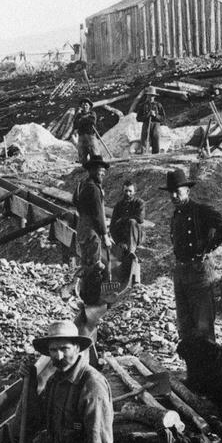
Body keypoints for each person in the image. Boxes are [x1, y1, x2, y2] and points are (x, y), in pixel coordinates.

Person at [167, 168, 222, 341]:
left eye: (177, 192)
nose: (173, 196)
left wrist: (207, 249)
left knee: (203, 327)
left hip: (199, 274)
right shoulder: (176, 214)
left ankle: (208, 368)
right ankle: (193, 368)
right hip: (180, 274)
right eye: (171, 193)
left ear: (187, 191)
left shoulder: (200, 211)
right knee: (185, 327)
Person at [72, 156, 111, 308]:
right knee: (95, 266)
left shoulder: (82, 184)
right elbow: (99, 214)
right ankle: (94, 301)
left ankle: (84, 296)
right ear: (92, 171)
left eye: (103, 171)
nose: (102, 174)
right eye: (100, 171)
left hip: (82, 229)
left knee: (86, 263)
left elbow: (75, 201)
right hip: (92, 232)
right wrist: (105, 235)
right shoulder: (94, 189)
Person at [108, 178, 145, 288]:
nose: (128, 194)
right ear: (123, 191)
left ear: (134, 192)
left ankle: (131, 251)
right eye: (126, 191)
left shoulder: (139, 203)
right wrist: (119, 241)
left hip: (137, 236)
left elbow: (140, 218)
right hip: (123, 239)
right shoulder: (119, 205)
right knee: (116, 258)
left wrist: (123, 219)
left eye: (130, 191)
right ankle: (119, 282)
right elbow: (113, 225)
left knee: (132, 222)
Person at [72, 99, 101, 166]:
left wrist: (82, 120)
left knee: (94, 151)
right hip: (81, 136)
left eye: (86, 105)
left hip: (90, 135)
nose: (84, 106)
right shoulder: (78, 115)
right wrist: (84, 120)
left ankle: (96, 166)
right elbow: (76, 124)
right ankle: (83, 167)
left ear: (89, 106)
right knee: (82, 153)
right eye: (83, 105)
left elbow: (92, 121)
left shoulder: (92, 113)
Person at [136, 86, 165, 154]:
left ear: (154, 96)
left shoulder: (158, 105)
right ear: (147, 95)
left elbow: (163, 118)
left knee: (156, 142)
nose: (151, 97)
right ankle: (144, 157)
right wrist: (148, 115)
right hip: (146, 125)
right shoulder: (142, 105)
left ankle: (155, 158)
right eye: (149, 95)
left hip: (156, 126)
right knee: (145, 143)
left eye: (152, 96)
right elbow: (138, 118)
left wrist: (155, 116)